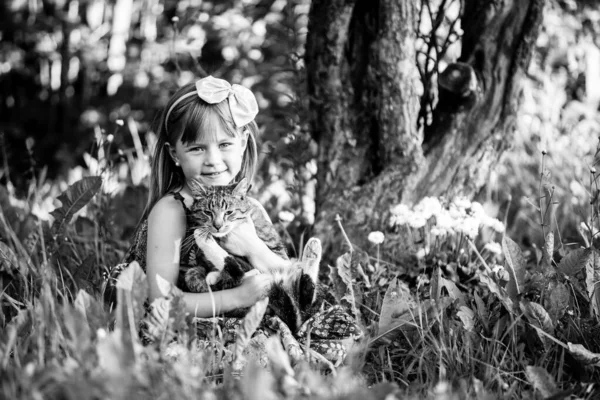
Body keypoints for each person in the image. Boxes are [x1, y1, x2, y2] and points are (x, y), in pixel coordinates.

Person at [117, 75, 290, 317]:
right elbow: (161, 301)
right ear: (174, 154)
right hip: (188, 325)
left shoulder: (252, 208)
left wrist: (254, 249)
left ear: (243, 143)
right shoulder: (172, 211)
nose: (213, 160)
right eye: (197, 148)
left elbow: (285, 278)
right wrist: (237, 297)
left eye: (224, 145)